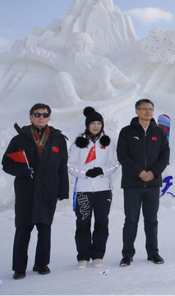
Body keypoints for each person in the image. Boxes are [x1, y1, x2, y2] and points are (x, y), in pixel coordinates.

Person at [2, 103, 69, 280]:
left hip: (48, 189)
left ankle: (41, 264)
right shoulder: (19, 139)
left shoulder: (58, 139)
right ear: (30, 117)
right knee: (23, 228)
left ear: (49, 117)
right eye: (37, 114)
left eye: (44, 115)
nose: (41, 117)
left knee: (44, 228)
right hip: (26, 189)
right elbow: (6, 163)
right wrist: (20, 171)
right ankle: (19, 268)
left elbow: (62, 167)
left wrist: (63, 190)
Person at [117, 99, 170, 267]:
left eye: (151, 109)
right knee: (131, 220)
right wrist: (139, 172)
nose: (148, 112)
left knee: (151, 220)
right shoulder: (126, 132)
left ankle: (153, 252)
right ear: (137, 111)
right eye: (144, 109)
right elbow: (123, 156)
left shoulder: (160, 132)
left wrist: (153, 173)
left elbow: (165, 156)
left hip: (152, 184)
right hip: (133, 183)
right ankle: (127, 254)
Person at [68, 107, 120, 269]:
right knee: (82, 222)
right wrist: (85, 173)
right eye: (93, 123)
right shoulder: (78, 143)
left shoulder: (108, 142)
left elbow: (116, 163)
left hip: (103, 189)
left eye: (99, 123)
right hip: (83, 190)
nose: (96, 126)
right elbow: (69, 165)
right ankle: (83, 255)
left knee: (101, 222)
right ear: (87, 125)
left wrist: (102, 171)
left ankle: (98, 254)